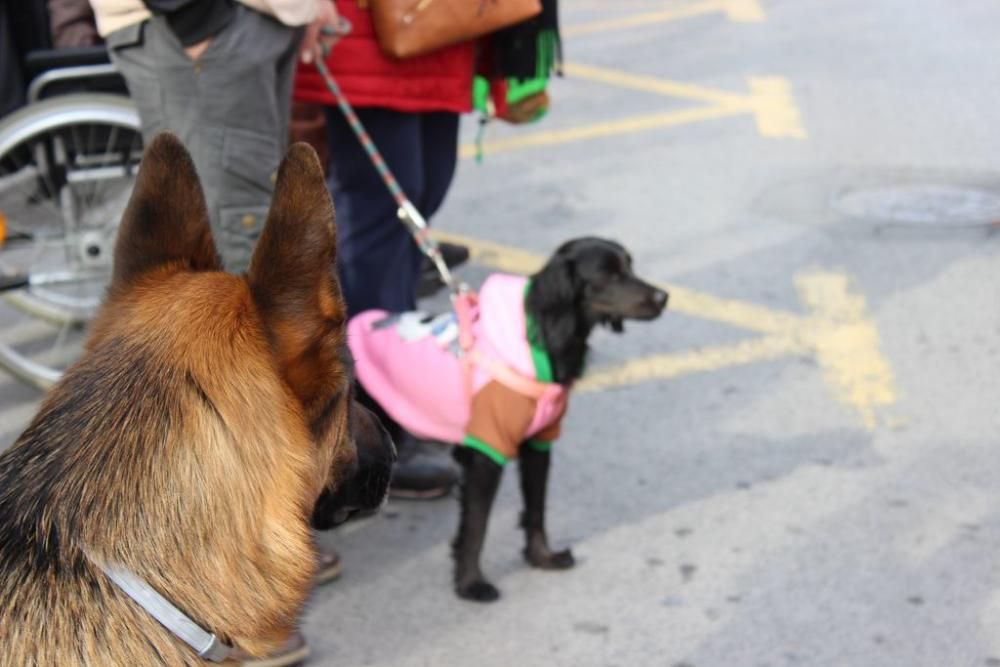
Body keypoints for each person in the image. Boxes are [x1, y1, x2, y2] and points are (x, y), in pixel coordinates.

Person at [88, 1, 339, 664]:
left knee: (241, 269)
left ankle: (252, 540)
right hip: (199, 21)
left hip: (253, 19)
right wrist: (196, 16)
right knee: (227, 304)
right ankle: (220, 575)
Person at [294, 1, 560, 500]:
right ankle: (367, 426)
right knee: (379, 230)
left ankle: (388, 396)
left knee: (419, 201)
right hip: (370, 36)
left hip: (437, 34)